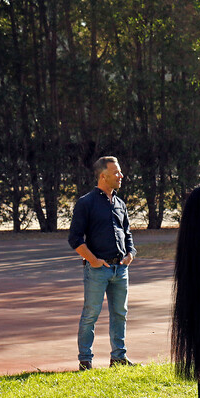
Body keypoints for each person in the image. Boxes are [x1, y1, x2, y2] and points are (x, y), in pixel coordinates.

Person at [68, 156, 137, 371]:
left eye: (120, 172)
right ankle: (85, 360)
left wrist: (130, 254)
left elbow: (127, 234)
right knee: (91, 314)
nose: (121, 176)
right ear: (103, 176)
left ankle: (118, 357)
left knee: (120, 314)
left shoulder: (120, 203)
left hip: (121, 269)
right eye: (116, 172)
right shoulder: (86, 203)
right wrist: (94, 261)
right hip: (98, 270)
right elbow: (75, 239)